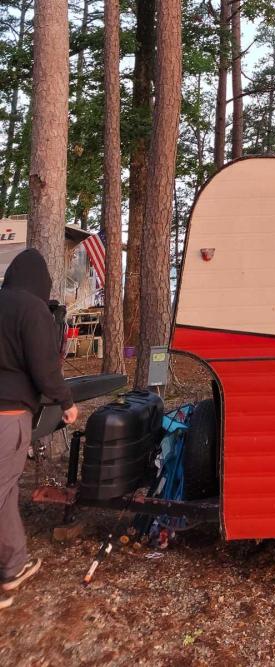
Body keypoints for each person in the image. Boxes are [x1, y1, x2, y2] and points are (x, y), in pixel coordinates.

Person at [0, 249, 77, 610]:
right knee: (2, 492)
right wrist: (67, 402)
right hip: (9, 416)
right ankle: (12, 568)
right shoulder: (32, 310)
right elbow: (45, 369)